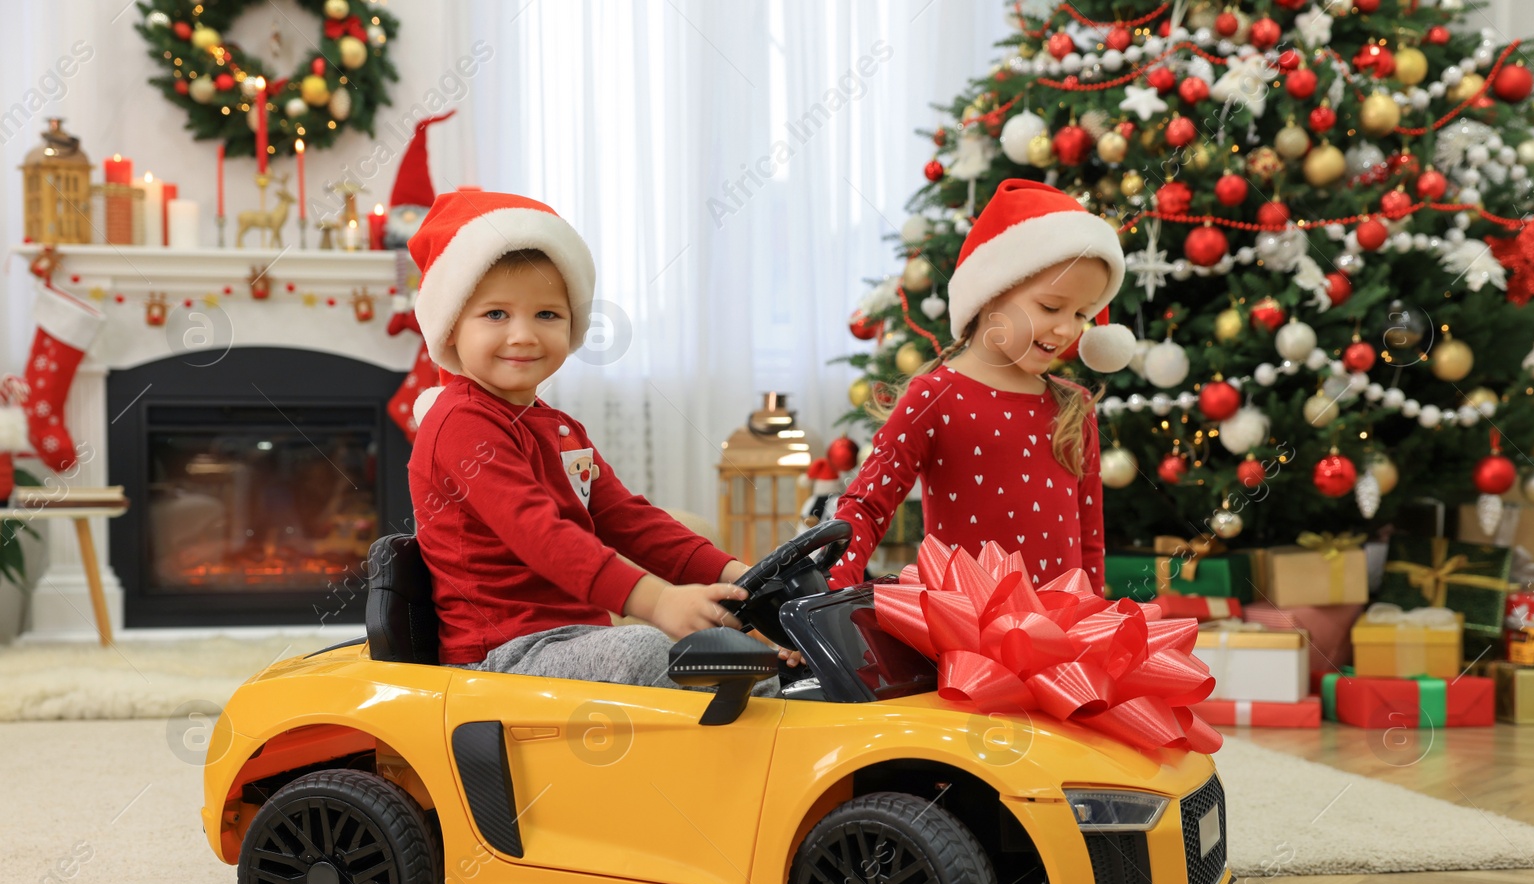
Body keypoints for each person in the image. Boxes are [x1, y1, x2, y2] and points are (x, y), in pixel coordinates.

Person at [405, 190, 797, 689]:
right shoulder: (460, 424)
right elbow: (541, 534)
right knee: (648, 651)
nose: (524, 335)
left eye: (547, 314)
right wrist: (656, 601)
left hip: (575, 640)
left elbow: (627, 519)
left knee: (737, 660)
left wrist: (738, 574)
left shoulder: (557, 426)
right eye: (496, 314)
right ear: (450, 327)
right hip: (501, 655)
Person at [827, 179, 1128, 595]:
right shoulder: (934, 398)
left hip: (1061, 641)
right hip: (965, 639)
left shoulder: (1074, 406)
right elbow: (866, 506)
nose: (1066, 329)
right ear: (991, 292)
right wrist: (825, 592)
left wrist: (1094, 627)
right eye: (1051, 306)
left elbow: (1090, 545)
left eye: (1081, 313)